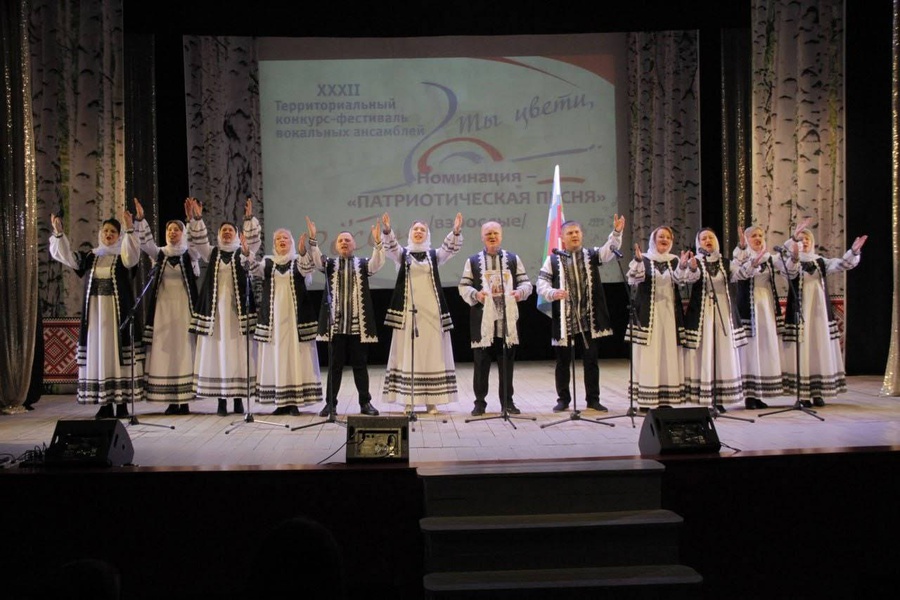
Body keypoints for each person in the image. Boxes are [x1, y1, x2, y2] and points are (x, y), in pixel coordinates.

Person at [49, 212, 141, 419]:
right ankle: (105, 404)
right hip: (96, 316)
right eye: (106, 230)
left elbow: (133, 255)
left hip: (117, 316)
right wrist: (59, 233)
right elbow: (67, 257)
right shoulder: (92, 256)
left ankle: (122, 404)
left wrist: (129, 229)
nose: (109, 234)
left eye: (113, 232)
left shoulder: (124, 256)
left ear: (119, 235)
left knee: (117, 355)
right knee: (100, 355)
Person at [536, 215, 625, 412]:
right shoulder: (553, 259)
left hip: (588, 318)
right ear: (562, 237)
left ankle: (593, 399)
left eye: (577, 232)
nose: (574, 235)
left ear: (582, 235)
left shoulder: (591, 255)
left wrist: (617, 232)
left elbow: (608, 251)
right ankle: (563, 399)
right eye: (570, 233)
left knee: (591, 360)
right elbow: (541, 283)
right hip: (565, 319)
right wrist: (553, 292)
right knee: (563, 362)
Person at [382, 213, 463, 415]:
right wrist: (387, 231)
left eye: (422, 230)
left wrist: (455, 232)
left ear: (427, 235)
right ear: (410, 233)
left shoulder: (434, 255)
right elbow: (390, 248)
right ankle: (408, 400)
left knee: (432, 353)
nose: (418, 232)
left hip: (432, 313)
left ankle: (432, 401)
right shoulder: (403, 254)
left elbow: (449, 250)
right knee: (408, 353)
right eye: (415, 229)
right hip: (408, 312)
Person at [186, 197, 261, 416]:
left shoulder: (243, 253)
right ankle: (221, 400)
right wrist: (197, 219)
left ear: (237, 234)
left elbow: (253, 245)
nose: (227, 233)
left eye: (231, 230)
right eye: (224, 230)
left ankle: (238, 399)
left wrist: (249, 219)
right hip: (216, 314)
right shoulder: (212, 253)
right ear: (219, 235)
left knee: (238, 353)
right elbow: (199, 242)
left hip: (237, 314)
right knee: (219, 354)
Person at [305, 215, 384, 417]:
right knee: (335, 367)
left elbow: (377, 263)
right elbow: (316, 259)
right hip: (336, 325)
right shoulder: (330, 264)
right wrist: (313, 239)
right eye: (340, 240)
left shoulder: (363, 264)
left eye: (348, 240)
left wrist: (378, 242)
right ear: (336, 246)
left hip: (357, 326)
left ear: (354, 245)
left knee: (360, 366)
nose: (344, 243)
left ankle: (365, 403)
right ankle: (330, 404)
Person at [782, 226, 867, 407]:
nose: (804, 242)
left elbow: (842, 265)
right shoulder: (790, 261)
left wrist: (853, 252)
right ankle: (803, 394)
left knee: (819, 348)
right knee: (803, 350)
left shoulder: (820, 261)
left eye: (807, 239)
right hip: (800, 311)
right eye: (801, 240)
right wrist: (794, 254)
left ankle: (818, 391)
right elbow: (789, 272)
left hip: (819, 311)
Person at [130, 198, 200, 415]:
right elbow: (146, 243)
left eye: (176, 230)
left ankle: (184, 400)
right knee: (166, 351)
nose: (172, 233)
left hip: (184, 310)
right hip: (162, 311)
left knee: (183, 350)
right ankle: (170, 399)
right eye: (169, 230)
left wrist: (191, 220)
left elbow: (198, 246)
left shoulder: (189, 254)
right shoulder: (159, 253)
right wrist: (141, 219)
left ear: (182, 233)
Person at [242, 227, 322, 415]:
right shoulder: (268, 262)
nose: (282, 240)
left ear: (291, 242)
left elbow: (307, 269)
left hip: (295, 319)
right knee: (277, 357)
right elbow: (253, 269)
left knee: (295, 357)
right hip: (274, 320)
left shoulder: (298, 261)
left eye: (285, 237)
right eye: (278, 238)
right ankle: (281, 401)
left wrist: (303, 251)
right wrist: (247, 253)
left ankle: (294, 402)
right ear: (274, 244)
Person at [458, 221, 533, 416]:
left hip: (506, 322)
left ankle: (507, 402)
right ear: (482, 237)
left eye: (495, 233)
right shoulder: (472, 261)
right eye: (488, 234)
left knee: (506, 364)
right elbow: (463, 286)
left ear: (501, 236)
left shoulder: (513, 259)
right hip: (483, 321)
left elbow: (526, 283)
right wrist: (477, 295)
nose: (492, 237)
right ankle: (479, 403)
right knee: (481, 365)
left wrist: (519, 293)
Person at [682, 227, 755, 412]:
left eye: (711, 238)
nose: (708, 241)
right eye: (704, 238)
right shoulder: (695, 262)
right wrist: (692, 268)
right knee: (706, 352)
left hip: (723, 312)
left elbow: (742, 274)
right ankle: (705, 397)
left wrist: (747, 254)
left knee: (722, 352)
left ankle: (719, 398)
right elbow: (689, 279)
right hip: (703, 314)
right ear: (698, 243)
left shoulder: (726, 263)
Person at [625, 226, 693, 410]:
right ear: (653, 240)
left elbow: (681, 281)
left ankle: (665, 399)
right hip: (648, 314)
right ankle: (646, 400)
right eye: (661, 236)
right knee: (648, 354)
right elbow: (633, 280)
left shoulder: (675, 260)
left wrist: (683, 266)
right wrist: (638, 261)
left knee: (668, 353)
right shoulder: (644, 258)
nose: (664, 239)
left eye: (668, 237)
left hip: (670, 314)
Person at [732, 223, 799, 409]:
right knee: (750, 350)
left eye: (760, 235)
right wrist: (744, 249)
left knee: (763, 349)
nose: (758, 238)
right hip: (748, 308)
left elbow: (790, 270)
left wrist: (794, 255)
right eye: (753, 236)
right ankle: (749, 395)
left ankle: (759, 393)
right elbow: (738, 272)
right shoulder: (742, 257)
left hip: (766, 306)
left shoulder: (770, 258)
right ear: (746, 240)